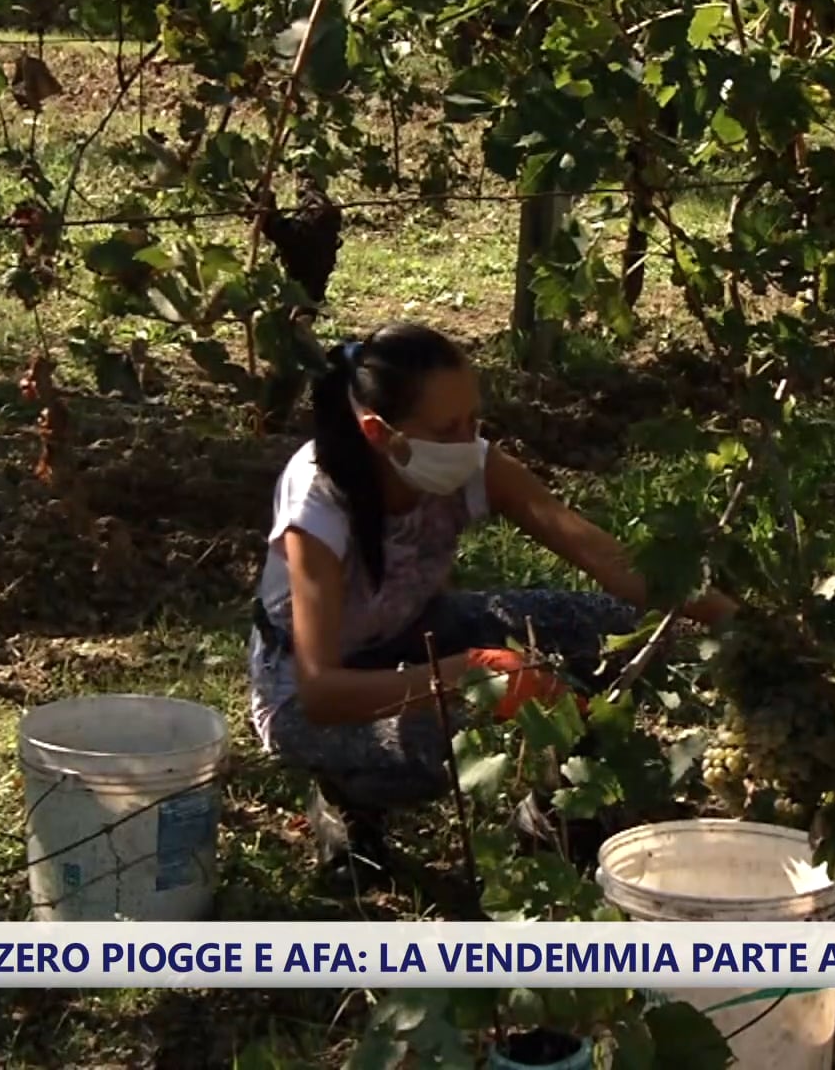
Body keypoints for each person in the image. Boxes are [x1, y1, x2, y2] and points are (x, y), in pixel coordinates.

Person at [248, 322, 739, 885]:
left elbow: (605, 559)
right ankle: (347, 794)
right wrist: (467, 674)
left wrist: (739, 622)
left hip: (415, 630)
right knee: (448, 740)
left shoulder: (471, 462)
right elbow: (321, 692)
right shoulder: (318, 501)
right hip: (310, 699)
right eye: (447, 428)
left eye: (472, 421)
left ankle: (558, 816)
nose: (469, 441)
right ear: (380, 433)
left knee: (609, 633)